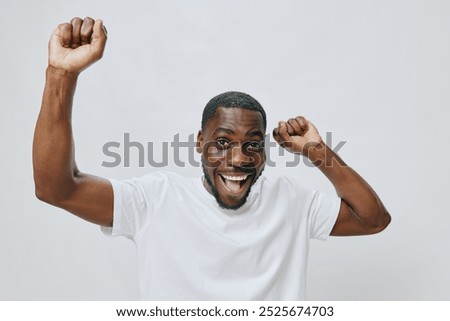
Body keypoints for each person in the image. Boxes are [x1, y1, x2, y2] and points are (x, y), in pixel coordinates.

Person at [33, 17, 391, 300]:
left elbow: (373, 219)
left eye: (253, 144)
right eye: (222, 142)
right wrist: (61, 75)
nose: (238, 158)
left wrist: (317, 152)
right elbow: (56, 189)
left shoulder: (290, 201)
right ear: (199, 143)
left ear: (264, 153)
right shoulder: (156, 200)